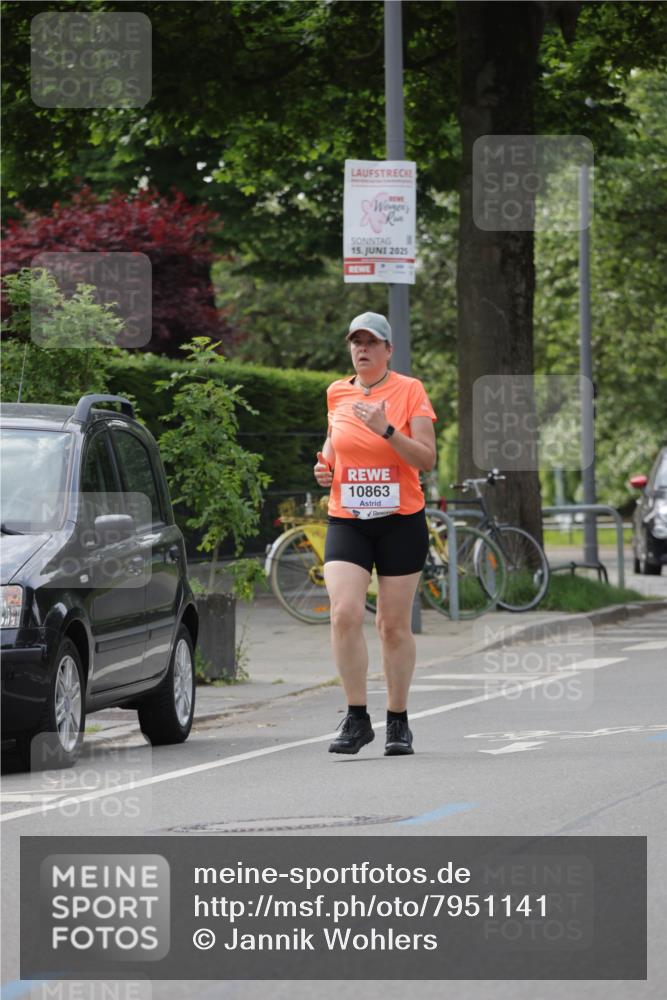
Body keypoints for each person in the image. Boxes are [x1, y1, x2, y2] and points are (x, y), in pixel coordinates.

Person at [314, 311, 437, 756]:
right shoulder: (336, 392)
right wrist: (325, 465)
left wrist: (385, 429)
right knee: (344, 612)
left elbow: (426, 459)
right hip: (348, 517)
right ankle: (356, 717)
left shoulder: (410, 391)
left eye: (371, 342)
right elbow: (334, 438)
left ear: (388, 350)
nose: (362, 349)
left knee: (391, 626)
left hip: (400, 519)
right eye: (355, 342)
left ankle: (398, 722)